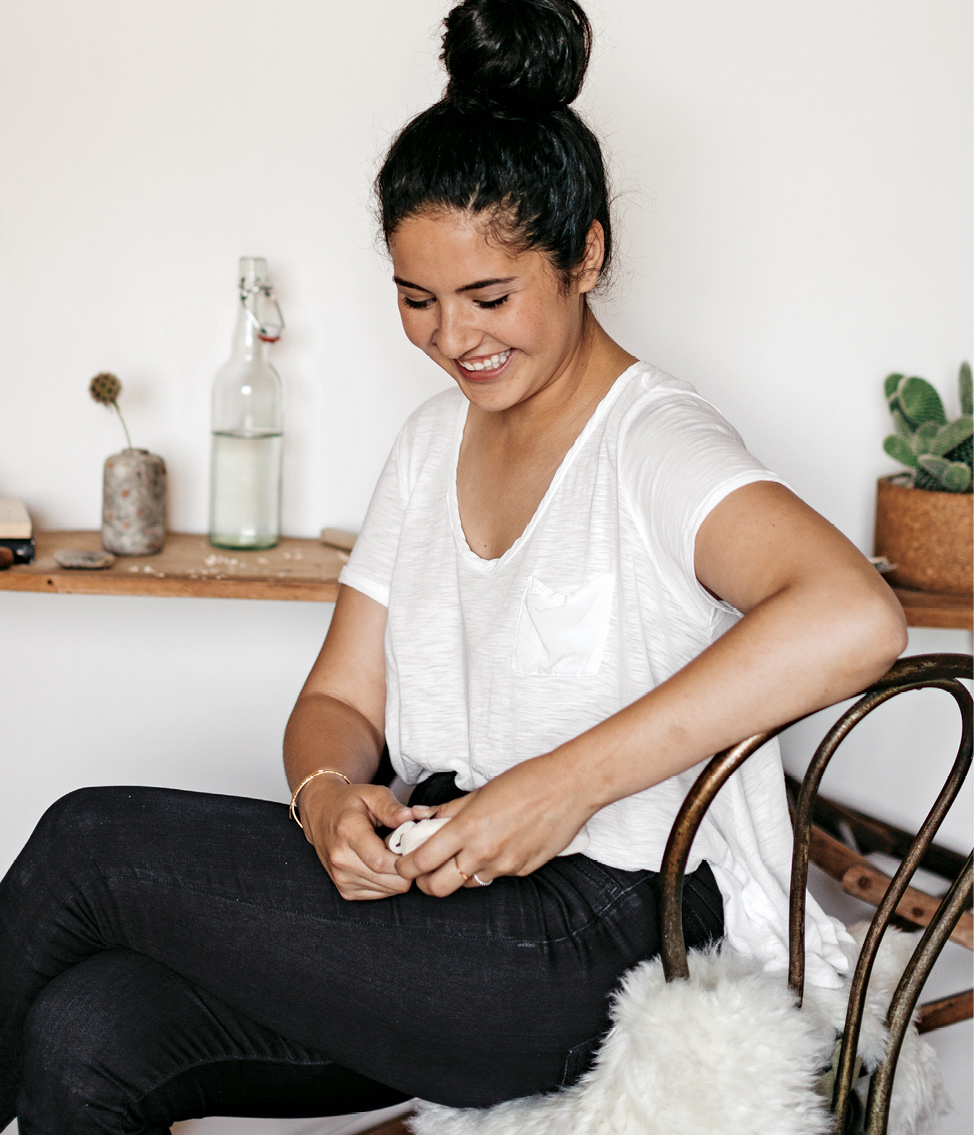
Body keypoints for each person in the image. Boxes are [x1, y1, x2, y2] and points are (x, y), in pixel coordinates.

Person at [0, 1, 907, 1130]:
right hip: (437, 918)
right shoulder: (432, 445)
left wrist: (561, 783)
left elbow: (851, 616)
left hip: (594, 942)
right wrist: (325, 794)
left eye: (488, 297)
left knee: (93, 839)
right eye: (414, 298)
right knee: (84, 1031)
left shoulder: (651, 443)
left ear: (585, 255)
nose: (450, 337)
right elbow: (339, 695)